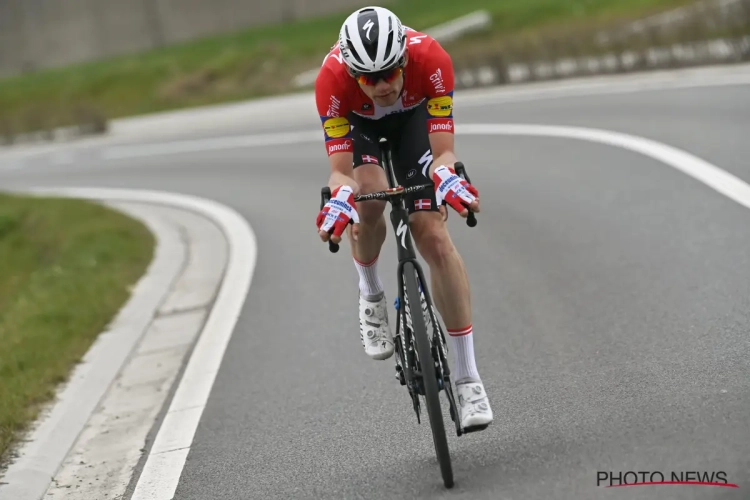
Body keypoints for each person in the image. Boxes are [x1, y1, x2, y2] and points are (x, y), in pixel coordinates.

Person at [313, 6, 493, 432]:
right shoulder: (333, 82)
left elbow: (443, 151)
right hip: (360, 129)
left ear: (405, 61)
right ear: (353, 73)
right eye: (368, 79)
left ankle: (468, 378)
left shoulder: (432, 60)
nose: (381, 87)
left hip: (415, 123)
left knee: (431, 232)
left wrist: (446, 176)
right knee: (369, 203)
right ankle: (371, 294)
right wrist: (340, 198)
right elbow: (341, 172)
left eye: (389, 73)